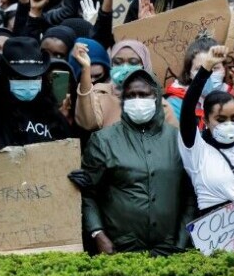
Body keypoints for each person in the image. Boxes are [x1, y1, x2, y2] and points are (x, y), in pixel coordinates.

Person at [80, 68, 195, 256]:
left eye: (143, 94)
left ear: (156, 98)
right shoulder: (103, 140)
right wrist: (98, 234)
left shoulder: (177, 140)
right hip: (120, 249)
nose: (137, 100)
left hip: (169, 249)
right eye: (131, 95)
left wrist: (181, 241)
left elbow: (189, 195)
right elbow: (87, 193)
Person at [179, 46, 234, 213]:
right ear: (206, 120)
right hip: (219, 236)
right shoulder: (197, 151)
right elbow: (187, 108)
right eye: (220, 120)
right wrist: (206, 68)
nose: (229, 124)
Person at [0, 37, 70, 154]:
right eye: (19, 77)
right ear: (5, 78)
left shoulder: (54, 117)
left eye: (34, 77)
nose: (27, 82)